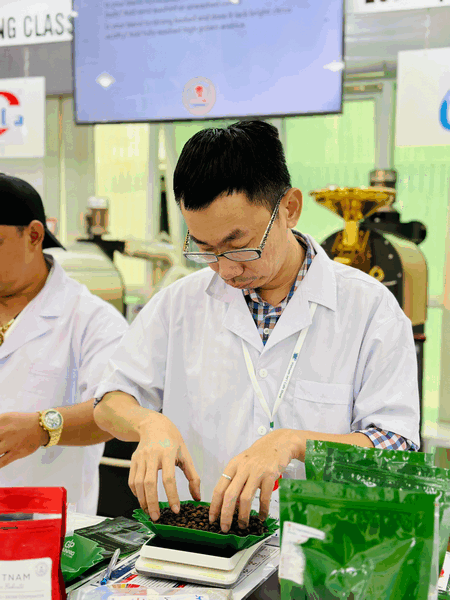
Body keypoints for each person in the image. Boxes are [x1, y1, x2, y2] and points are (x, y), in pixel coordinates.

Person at [93, 120, 420, 532]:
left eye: (239, 245)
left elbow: (396, 452)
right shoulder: (179, 304)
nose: (226, 270)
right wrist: (148, 423)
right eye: (206, 249)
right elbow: (108, 403)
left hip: (320, 548)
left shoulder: (369, 309)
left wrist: (294, 443)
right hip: (200, 543)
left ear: (289, 209)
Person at [0, 173, 128, 515]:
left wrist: (43, 427)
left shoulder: (91, 320)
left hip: (46, 525)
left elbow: (113, 411)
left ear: (34, 235)